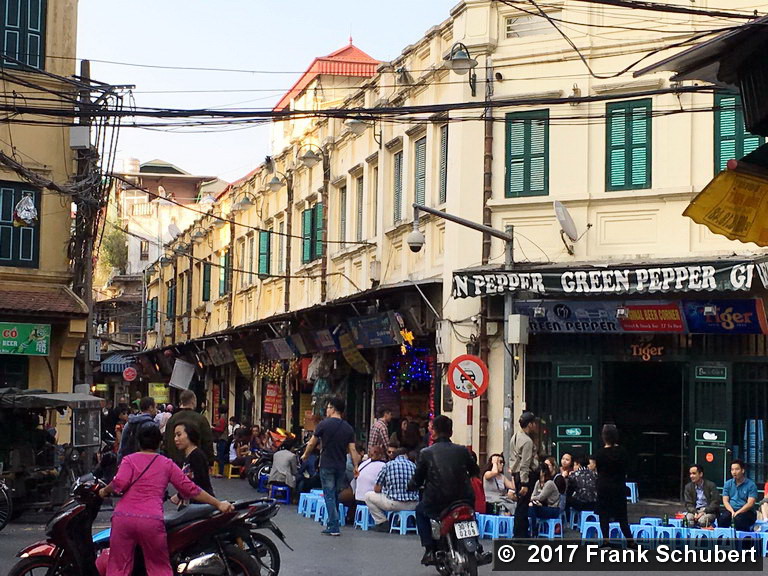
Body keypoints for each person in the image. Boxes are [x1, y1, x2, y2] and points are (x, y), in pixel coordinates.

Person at [98, 424, 233, 576]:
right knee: (158, 568)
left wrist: (104, 491)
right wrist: (218, 503)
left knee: (118, 567)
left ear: (138, 442)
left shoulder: (129, 460)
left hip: (123, 519)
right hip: (151, 521)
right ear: (159, 443)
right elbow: (190, 489)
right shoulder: (166, 463)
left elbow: (119, 483)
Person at [408, 415, 488, 567]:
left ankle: (429, 549)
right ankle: (477, 547)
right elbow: (474, 470)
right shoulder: (463, 451)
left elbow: (417, 478)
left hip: (438, 500)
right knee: (470, 516)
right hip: (464, 498)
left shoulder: (426, 453)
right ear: (451, 432)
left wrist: (411, 485)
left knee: (420, 511)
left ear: (434, 432)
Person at [300, 396, 361, 536]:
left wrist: (305, 455)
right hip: (341, 465)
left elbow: (312, 442)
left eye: (327, 408)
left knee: (329, 495)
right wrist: (356, 466)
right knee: (335, 494)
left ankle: (333, 525)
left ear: (333, 409)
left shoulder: (323, 424)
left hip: (327, 464)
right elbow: (352, 450)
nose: (326, 410)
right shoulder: (348, 428)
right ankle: (333, 521)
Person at [595, 424, 635, 547]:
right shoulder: (622, 452)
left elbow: (599, 470)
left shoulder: (600, 453)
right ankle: (630, 541)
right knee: (622, 516)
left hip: (604, 486)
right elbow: (627, 468)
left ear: (603, 437)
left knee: (604, 515)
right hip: (619, 486)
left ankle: (606, 540)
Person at [364, 447, 420, 531]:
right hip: (413, 504)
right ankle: (400, 522)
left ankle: (381, 522)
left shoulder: (388, 465)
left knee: (368, 496)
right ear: (406, 455)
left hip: (394, 503)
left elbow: (377, 489)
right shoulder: (413, 466)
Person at [164, 390, 214, 468]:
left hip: (174, 463)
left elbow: (166, 441)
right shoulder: (200, 419)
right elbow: (207, 442)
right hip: (195, 463)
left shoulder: (172, 419)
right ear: (193, 401)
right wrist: (210, 461)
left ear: (181, 402)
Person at [509, 411, 539, 539]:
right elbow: (525, 463)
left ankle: (519, 534)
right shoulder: (527, 441)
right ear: (529, 424)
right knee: (523, 507)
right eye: (534, 423)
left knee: (521, 506)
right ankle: (520, 535)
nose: (535, 426)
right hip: (525, 476)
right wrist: (524, 483)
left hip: (517, 474)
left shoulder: (515, 436)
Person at [170, 421, 214, 506]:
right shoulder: (187, 456)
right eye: (175, 435)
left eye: (179, 435)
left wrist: (179, 496)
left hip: (201, 504)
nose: (175, 439)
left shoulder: (197, 456)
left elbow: (198, 483)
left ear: (190, 434)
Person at [719, 459, 758, 531]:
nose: (734, 472)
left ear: (742, 470)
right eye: (732, 470)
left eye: (737, 469)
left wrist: (738, 512)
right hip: (731, 510)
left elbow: (750, 503)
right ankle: (724, 537)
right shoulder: (728, 484)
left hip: (747, 511)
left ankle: (742, 537)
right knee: (722, 518)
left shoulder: (751, 485)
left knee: (739, 520)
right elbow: (725, 501)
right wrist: (732, 511)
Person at [117, 397, 158, 462]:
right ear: (150, 408)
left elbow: (122, 445)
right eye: (155, 407)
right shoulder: (152, 425)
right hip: (146, 462)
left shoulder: (130, 423)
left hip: (129, 460)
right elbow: (155, 450)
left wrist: (120, 462)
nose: (156, 410)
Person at [352, 445, 387, 518]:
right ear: (381, 455)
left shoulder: (363, 464)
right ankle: (382, 520)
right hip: (367, 501)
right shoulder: (383, 466)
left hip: (358, 499)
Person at [528, 464, 563, 534]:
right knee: (529, 508)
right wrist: (534, 500)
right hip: (542, 506)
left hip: (553, 509)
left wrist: (533, 499)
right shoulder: (538, 482)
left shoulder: (549, 483)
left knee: (533, 509)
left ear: (543, 472)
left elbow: (541, 497)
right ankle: (531, 529)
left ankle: (533, 530)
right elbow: (533, 495)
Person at [683, 463, 720, 527]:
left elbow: (715, 502)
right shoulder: (688, 487)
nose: (691, 476)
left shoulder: (711, 485)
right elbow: (688, 504)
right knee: (688, 519)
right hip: (694, 511)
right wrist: (695, 512)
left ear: (701, 474)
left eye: (694, 473)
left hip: (708, 511)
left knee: (702, 521)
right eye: (690, 474)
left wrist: (704, 511)